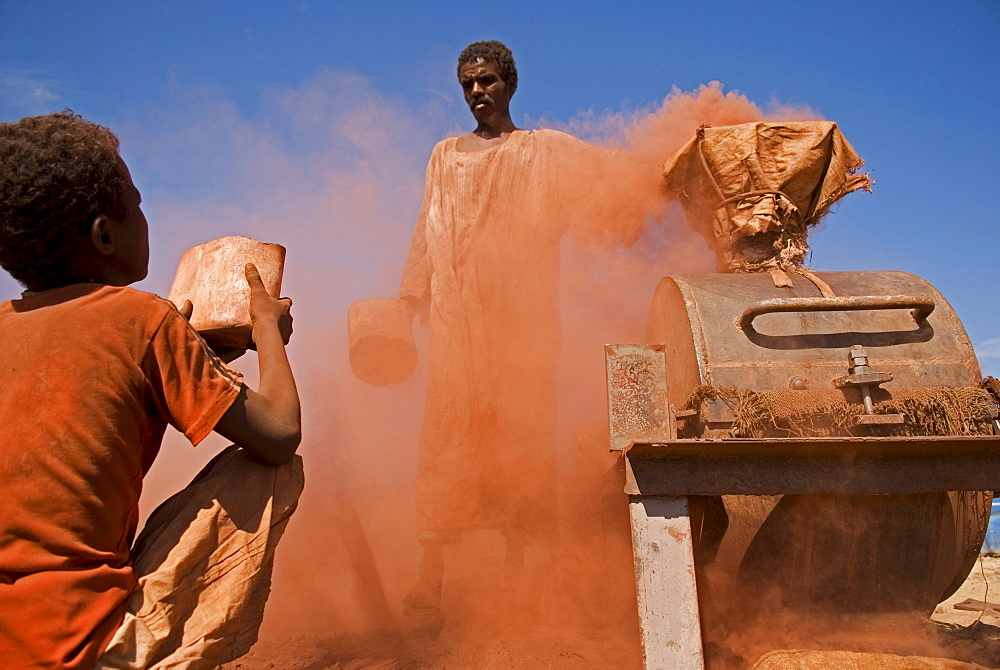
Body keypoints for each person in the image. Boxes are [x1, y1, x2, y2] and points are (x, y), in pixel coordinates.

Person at [0, 111, 303, 669]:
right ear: (105, 234)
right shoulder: (142, 319)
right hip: (77, 644)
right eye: (136, 203)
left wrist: (192, 354)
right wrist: (266, 331)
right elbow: (280, 433)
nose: (146, 217)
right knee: (271, 463)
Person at [399, 41, 651, 611]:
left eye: (486, 81)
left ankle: (519, 570)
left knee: (523, 433)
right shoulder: (443, 154)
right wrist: (410, 293)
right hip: (457, 318)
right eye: (467, 85)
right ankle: (430, 569)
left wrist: (667, 163)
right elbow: (427, 225)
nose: (476, 93)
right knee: (449, 431)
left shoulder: (546, 152)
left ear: (510, 84)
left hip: (524, 321)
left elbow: (616, 178)